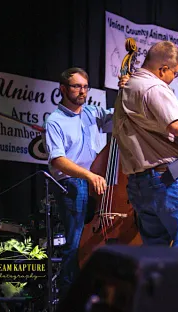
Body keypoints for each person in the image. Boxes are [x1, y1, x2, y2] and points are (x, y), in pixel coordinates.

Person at [112, 40, 178, 248]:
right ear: (163, 69)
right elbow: (176, 125)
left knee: (156, 257)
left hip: (139, 184)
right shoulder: (153, 87)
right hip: (169, 179)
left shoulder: (126, 89)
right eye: (175, 73)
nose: (174, 78)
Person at [43, 67, 128, 296]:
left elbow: (120, 117)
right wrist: (88, 175)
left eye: (85, 87)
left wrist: (124, 90)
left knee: (95, 236)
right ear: (62, 89)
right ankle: (69, 294)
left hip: (93, 180)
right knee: (76, 242)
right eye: (76, 86)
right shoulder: (55, 120)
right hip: (73, 183)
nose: (82, 91)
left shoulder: (91, 112)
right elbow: (58, 160)